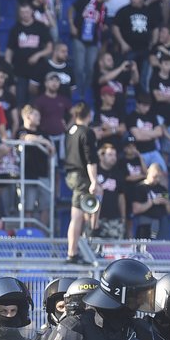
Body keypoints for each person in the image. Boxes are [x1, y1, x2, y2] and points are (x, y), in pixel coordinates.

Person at [64, 103, 98, 265]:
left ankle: (79, 251)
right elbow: (90, 159)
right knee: (77, 216)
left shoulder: (70, 131)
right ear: (89, 115)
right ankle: (72, 253)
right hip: (82, 177)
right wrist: (94, 181)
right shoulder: (87, 132)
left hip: (71, 175)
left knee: (82, 215)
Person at [69, 0, 114, 105]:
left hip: (93, 42)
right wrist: (71, 24)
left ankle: (84, 93)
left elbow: (103, 24)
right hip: (79, 37)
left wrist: (103, 27)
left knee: (90, 69)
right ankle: (78, 92)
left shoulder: (104, 9)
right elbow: (71, 8)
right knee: (79, 67)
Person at [6, 3, 53, 106]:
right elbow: (9, 50)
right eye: (22, 12)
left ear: (31, 12)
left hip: (37, 71)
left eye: (26, 12)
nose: (24, 14)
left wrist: (38, 55)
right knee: (19, 100)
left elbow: (49, 48)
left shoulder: (40, 27)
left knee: (35, 101)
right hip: (20, 70)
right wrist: (8, 68)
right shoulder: (15, 29)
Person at [131, 163, 170, 239]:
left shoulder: (162, 189)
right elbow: (135, 209)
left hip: (161, 224)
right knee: (145, 248)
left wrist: (166, 203)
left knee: (160, 247)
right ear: (148, 172)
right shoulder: (140, 188)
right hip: (145, 224)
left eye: (159, 177)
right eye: (155, 176)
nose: (157, 179)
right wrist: (152, 202)